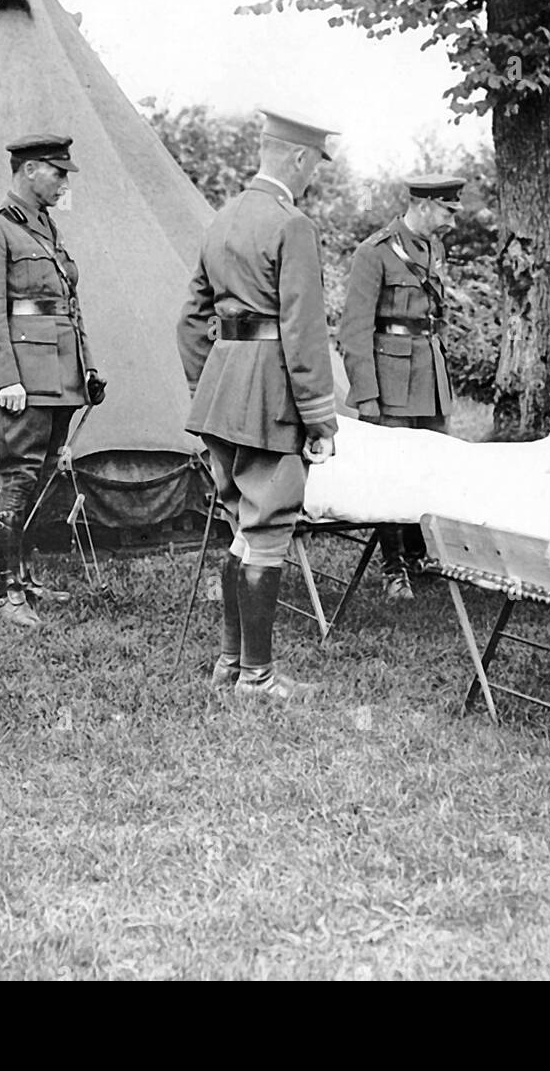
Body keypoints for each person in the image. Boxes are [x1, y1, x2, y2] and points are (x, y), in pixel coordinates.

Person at [178, 108, 339, 700]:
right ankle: (258, 677)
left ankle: (229, 662)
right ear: (298, 158)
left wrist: (212, 383)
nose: (314, 177)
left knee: (238, 526)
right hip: (270, 393)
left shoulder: (220, 219)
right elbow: (304, 331)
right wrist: (320, 416)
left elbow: (191, 322)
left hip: (222, 390)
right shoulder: (291, 225)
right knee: (267, 529)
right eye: (316, 165)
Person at [0, 134, 105, 629]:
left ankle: (23, 577)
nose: (65, 181)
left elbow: (68, 304)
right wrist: (3, 377)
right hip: (23, 379)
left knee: (40, 476)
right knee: (18, 479)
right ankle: (6, 594)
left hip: (60, 376)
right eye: (58, 171)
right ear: (28, 169)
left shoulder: (46, 229)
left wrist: (86, 369)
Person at [339, 173, 465, 601]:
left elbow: (436, 317)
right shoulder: (373, 252)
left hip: (429, 374)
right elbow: (354, 330)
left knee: (430, 465)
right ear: (424, 205)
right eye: (447, 212)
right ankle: (393, 569)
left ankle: (420, 554)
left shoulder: (435, 248)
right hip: (390, 378)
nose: (452, 221)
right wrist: (367, 396)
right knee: (388, 472)